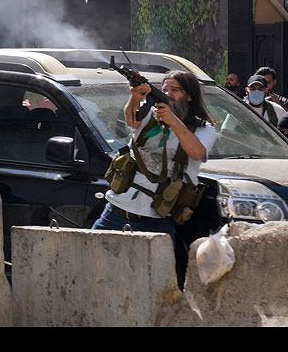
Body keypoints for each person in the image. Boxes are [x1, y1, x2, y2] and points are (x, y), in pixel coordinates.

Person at [92, 70, 217, 243]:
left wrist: (172, 120)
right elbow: (132, 121)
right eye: (165, 89)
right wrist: (135, 97)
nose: (168, 94)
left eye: (174, 90)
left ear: (189, 96)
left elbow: (197, 152)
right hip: (117, 212)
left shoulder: (204, 129)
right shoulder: (152, 114)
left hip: (158, 220)